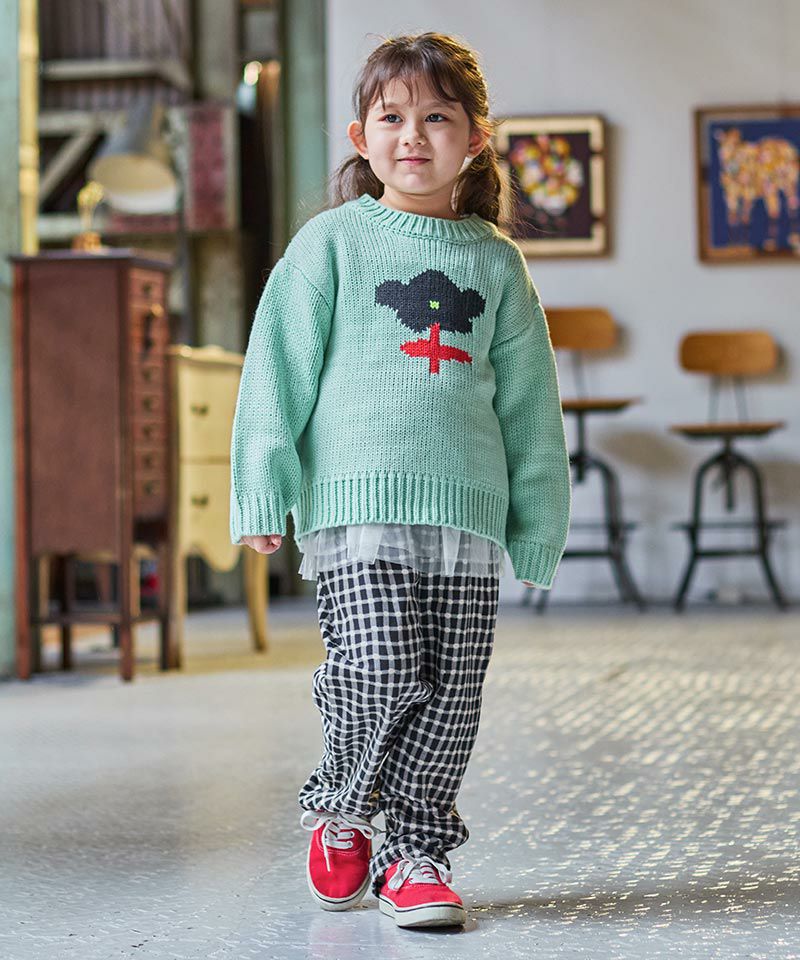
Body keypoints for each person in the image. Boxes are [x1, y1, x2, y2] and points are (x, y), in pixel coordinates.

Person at [229, 31, 572, 930]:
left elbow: (531, 405)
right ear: (361, 135)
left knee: (452, 697)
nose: (412, 136)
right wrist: (263, 485)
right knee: (379, 666)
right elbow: (276, 369)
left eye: (437, 118)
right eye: (392, 117)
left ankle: (415, 854)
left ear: (476, 139)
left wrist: (538, 521)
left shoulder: (496, 262)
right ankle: (343, 807)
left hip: (468, 514)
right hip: (355, 508)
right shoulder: (331, 245)